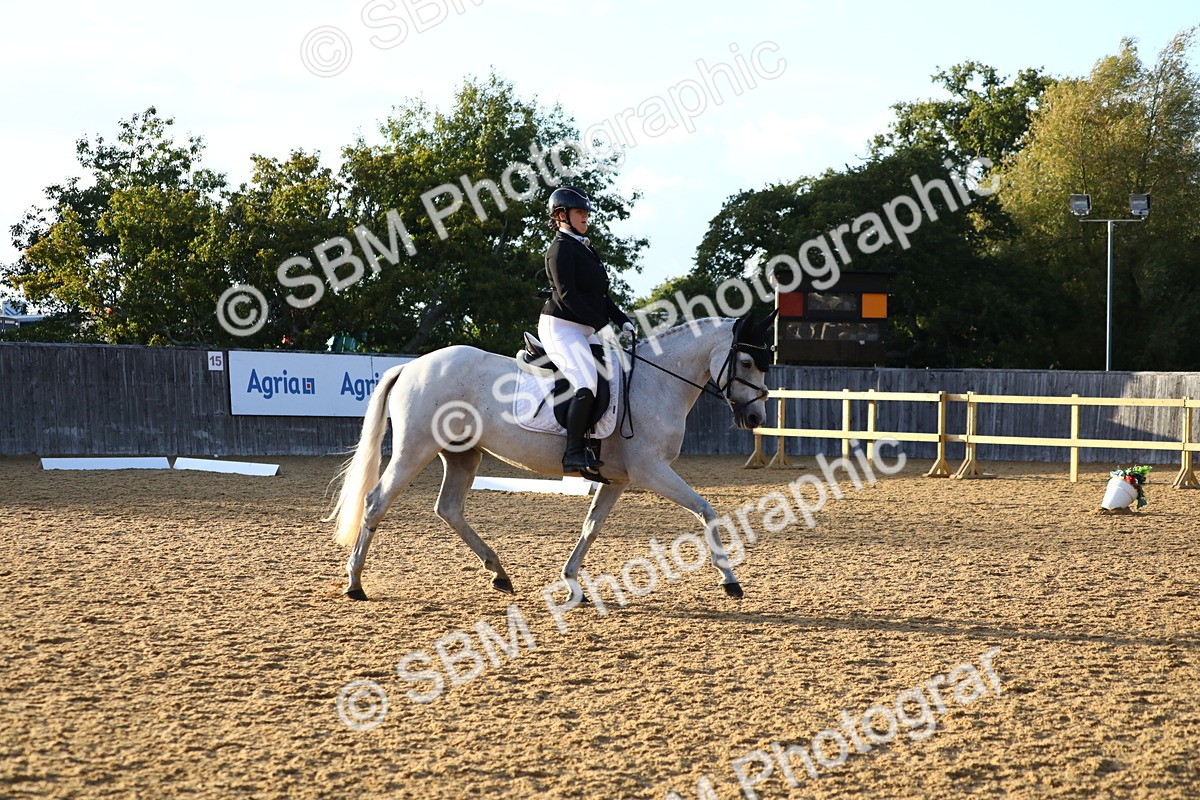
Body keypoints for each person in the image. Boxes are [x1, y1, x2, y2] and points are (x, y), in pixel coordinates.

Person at [539, 186, 635, 476]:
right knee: (587, 383)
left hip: (585, 328)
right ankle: (573, 453)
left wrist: (620, 319)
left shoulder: (585, 247)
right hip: (561, 328)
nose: (586, 217)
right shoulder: (559, 250)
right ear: (561, 215)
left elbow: (600, 295)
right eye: (580, 212)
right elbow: (568, 296)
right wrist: (602, 325)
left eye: (586, 213)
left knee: (613, 377)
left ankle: (596, 444)